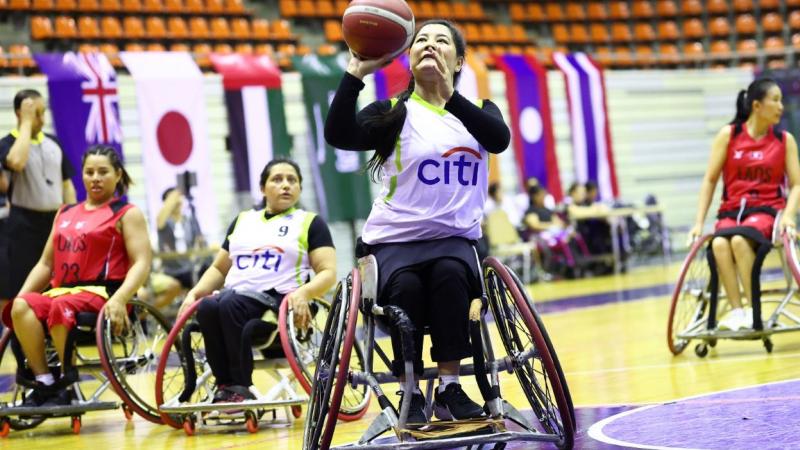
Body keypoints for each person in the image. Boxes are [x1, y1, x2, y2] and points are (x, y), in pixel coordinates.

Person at [325, 20, 510, 424]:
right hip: (394, 241)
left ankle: (449, 389)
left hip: (454, 240)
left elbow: (499, 140)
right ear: (408, 59)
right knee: (406, 286)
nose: (429, 45)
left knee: (448, 275)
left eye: (441, 41)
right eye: (421, 40)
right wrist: (355, 72)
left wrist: (449, 96)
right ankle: (409, 390)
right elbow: (338, 133)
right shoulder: (394, 112)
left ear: (458, 60)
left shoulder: (478, 111)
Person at [178, 158, 336, 405]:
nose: (285, 185)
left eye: (292, 180)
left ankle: (241, 385)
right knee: (208, 306)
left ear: (300, 189)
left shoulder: (309, 222)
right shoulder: (243, 220)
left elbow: (328, 272)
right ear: (262, 189)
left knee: (229, 303)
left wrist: (304, 293)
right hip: (237, 297)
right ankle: (225, 385)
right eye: (277, 179)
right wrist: (195, 294)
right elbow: (219, 268)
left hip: (277, 302)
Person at [3, 145, 151, 406]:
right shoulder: (65, 213)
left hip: (103, 294)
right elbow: (46, 264)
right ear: (81, 175)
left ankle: (66, 381)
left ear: (117, 175)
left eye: (103, 172)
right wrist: (22, 296)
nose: (95, 177)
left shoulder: (126, 213)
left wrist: (121, 298)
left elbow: (142, 262)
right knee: (21, 306)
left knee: (60, 306)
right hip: (62, 292)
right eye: (89, 172)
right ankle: (45, 382)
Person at [689, 78, 800, 331]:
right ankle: (737, 311)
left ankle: (753, 309)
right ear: (757, 106)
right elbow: (709, 180)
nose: (781, 106)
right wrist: (698, 223)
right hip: (730, 210)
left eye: (781, 100)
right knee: (718, 243)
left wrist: (789, 216)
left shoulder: (784, 140)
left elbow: (797, 185)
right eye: (775, 100)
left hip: (765, 210)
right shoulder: (729, 135)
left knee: (739, 240)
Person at [0, 89, 77, 303]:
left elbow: (67, 185)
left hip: (55, 222)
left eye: (43, 113)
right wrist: (25, 124)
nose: (42, 119)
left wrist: (72, 218)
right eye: (36, 113)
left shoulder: (54, 142)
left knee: (58, 287)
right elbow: (16, 162)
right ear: (20, 113)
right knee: (23, 289)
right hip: (22, 225)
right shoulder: (7, 144)